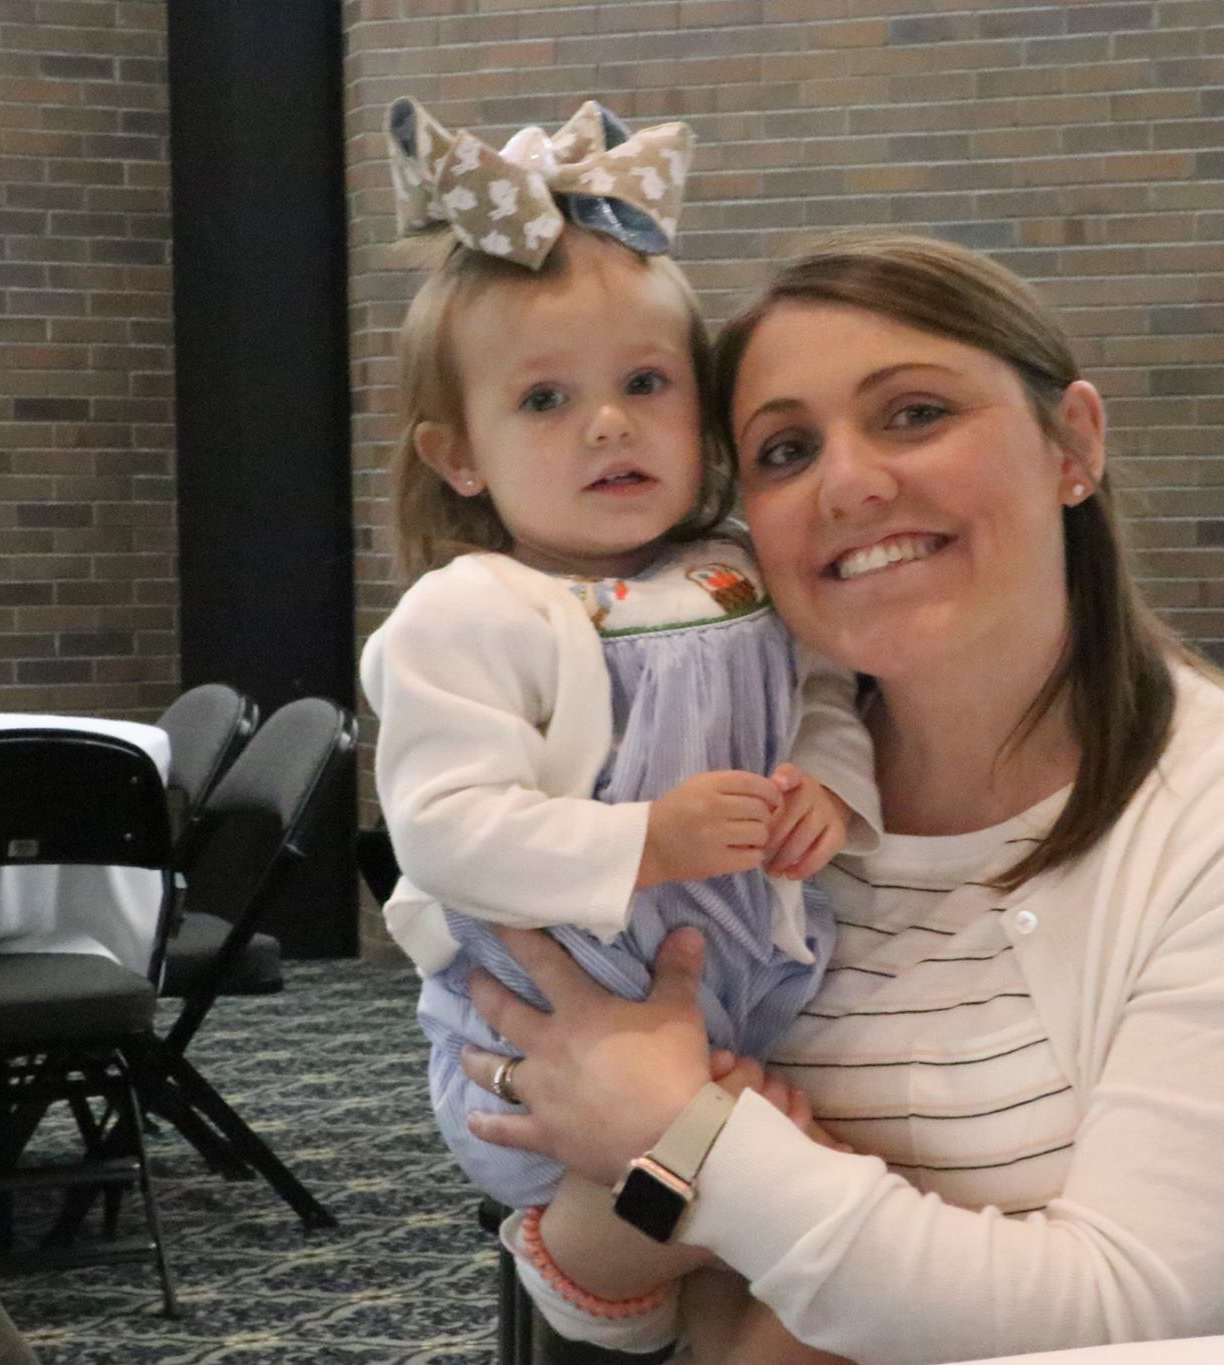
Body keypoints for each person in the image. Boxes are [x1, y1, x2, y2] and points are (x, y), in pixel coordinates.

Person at [455, 233, 1224, 1364]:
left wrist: (683, 1139)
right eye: (785, 449)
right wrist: (645, 1180)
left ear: (1073, 446)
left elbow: (1133, 1315)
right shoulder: (721, 807)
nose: (848, 483)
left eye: (912, 414)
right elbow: (592, 1282)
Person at [359, 100, 880, 1312]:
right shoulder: (473, 611)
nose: (607, 422)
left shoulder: (740, 573)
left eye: (646, 382)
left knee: (795, 1221)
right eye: (544, 401)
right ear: (459, 455)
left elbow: (825, 699)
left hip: (752, 993)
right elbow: (443, 828)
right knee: (696, 1206)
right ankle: (614, 1248)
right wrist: (645, 842)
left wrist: (827, 786)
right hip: (546, 1033)